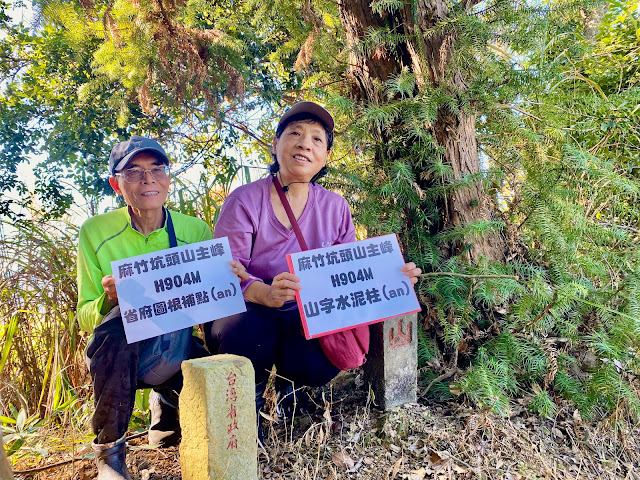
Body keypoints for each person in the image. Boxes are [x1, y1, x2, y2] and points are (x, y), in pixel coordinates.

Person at [206, 102, 421, 414]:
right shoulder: (244, 200)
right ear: (275, 145)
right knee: (248, 332)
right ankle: (246, 411)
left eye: (317, 139)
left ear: (325, 156)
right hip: (250, 311)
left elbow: (346, 274)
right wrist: (264, 293)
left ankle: (289, 387)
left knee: (317, 364)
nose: (305, 143)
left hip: (304, 315)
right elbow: (224, 275)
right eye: (294, 133)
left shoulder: (335, 207)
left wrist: (391, 278)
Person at [76, 136, 247, 480]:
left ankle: (167, 401)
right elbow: (85, 318)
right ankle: (109, 452)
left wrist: (230, 281)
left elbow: (209, 305)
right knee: (118, 322)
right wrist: (109, 299)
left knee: (222, 355)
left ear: (169, 178)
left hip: (176, 343)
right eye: (134, 172)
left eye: (158, 169)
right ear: (116, 184)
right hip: (118, 352)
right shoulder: (96, 232)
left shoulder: (193, 230)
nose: (148, 179)